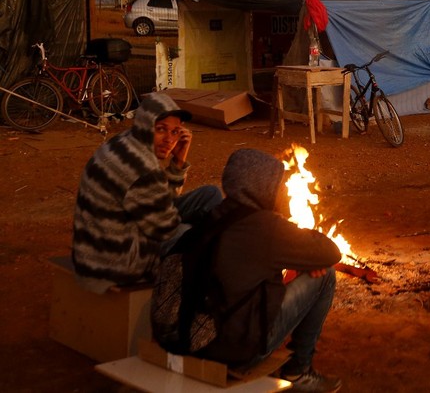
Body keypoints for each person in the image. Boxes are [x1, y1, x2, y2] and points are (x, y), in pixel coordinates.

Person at [197, 149, 342, 392]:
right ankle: (298, 370)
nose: (282, 190)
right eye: (277, 184)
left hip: (196, 342)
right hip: (236, 351)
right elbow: (331, 252)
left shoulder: (214, 214)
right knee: (325, 277)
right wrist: (301, 251)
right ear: (260, 187)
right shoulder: (266, 227)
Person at [72, 92, 223, 293]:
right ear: (145, 126)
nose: (169, 140)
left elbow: (160, 199)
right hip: (113, 262)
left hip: (110, 238)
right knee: (192, 235)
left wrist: (178, 162)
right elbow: (166, 229)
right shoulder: (140, 167)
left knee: (210, 195)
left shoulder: (125, 141)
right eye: (161, 130)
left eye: (176, 132)